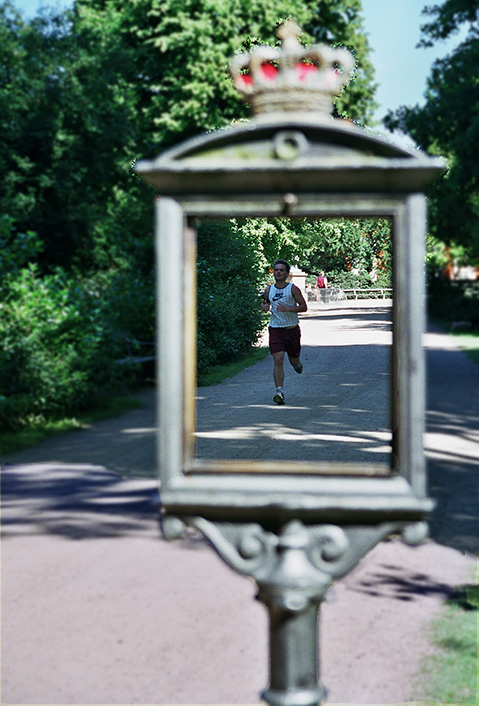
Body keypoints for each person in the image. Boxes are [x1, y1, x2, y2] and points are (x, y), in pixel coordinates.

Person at [261, 259, 308, 405]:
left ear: (287, 273)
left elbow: (304, 307)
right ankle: (279, 392)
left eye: (281, 270)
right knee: (278, 359)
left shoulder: (292, 289)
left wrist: (287, 309)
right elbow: (265, 304)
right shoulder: (269, 290)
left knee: (293, 360)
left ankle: (297, 364)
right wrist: (264, 307)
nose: (278, 272)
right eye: (276, 270)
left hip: (291, 329)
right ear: (273, 272)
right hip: (276, 329)